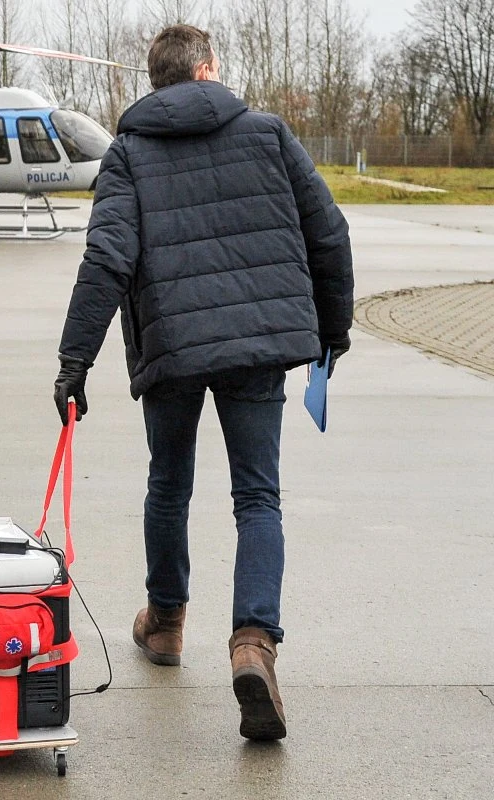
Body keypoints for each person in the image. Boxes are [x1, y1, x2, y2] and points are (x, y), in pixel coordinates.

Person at [53, 24, 353, 741]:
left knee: (169, 484)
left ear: (157, 82)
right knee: (258, 497)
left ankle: (165, 622)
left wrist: (74, 361)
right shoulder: (268, 134)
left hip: (174, 347)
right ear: (209, 70)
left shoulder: (128, 153)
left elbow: (107, 259)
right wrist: (331, 332)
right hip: (258, 344)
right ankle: (253, 644)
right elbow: (329, 233)